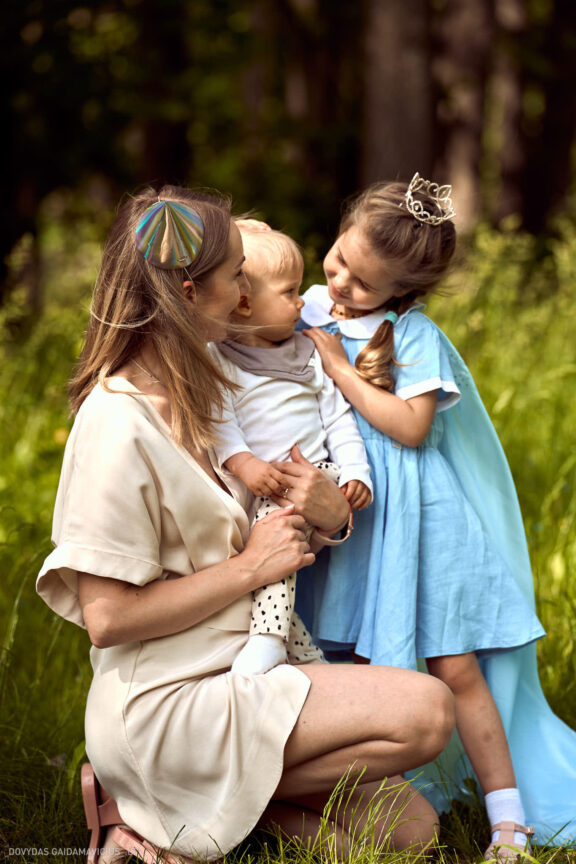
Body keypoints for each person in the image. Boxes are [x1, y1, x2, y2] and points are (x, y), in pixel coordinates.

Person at [36, 185, 456, 862]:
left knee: (408, 833)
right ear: (188, 291)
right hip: (173, 700)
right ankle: (150, 793)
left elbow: (276, 521)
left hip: (251, 669)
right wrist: (249, 568)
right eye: (236, 277)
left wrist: (331, 515)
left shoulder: (211, 389)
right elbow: (107, 618)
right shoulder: (115, 421)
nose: (245, 294)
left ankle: (180, 819)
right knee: (428, 711)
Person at [296, 173, 576, 855]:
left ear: (403, 289)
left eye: (364, 282)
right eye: (339, 259)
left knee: (455, 664)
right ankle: (374, 806)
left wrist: (341, 371)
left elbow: (412, 426)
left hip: (420, 523)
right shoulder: (308, 306)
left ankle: (508, 819)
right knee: (344, 659)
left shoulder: (410, 333)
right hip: (351, 521)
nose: (341, 283)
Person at [212, 223, 372, 676]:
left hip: (313, 474)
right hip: (261, 481)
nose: (302, 303)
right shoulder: (219, 357)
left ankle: (267, 640)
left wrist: (355, 471)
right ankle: (304, 655)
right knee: (264, 576)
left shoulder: (307, 353)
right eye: (289, 292)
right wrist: (244, 462)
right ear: (244, 303)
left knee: (275, 534)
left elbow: (338, 419)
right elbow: (219, 421)